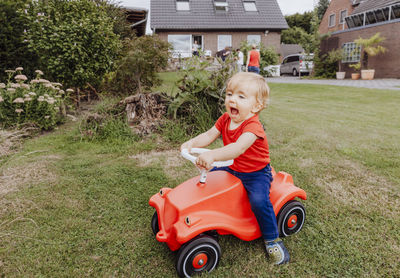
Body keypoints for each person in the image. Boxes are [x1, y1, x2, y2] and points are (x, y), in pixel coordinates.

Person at [180, 72, 290, 265]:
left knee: (258, 201)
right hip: (233, 167)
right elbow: (208, 135)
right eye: (229, 94)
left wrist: (212, 155)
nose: (232, 99)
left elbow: (236, 148)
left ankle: (272, 239)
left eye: (241, 96)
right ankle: (209, 221)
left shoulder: (253, 127)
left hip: (256, 173)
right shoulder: (224, 119)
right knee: (209, 186)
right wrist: (191, 143)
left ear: (256, 106)